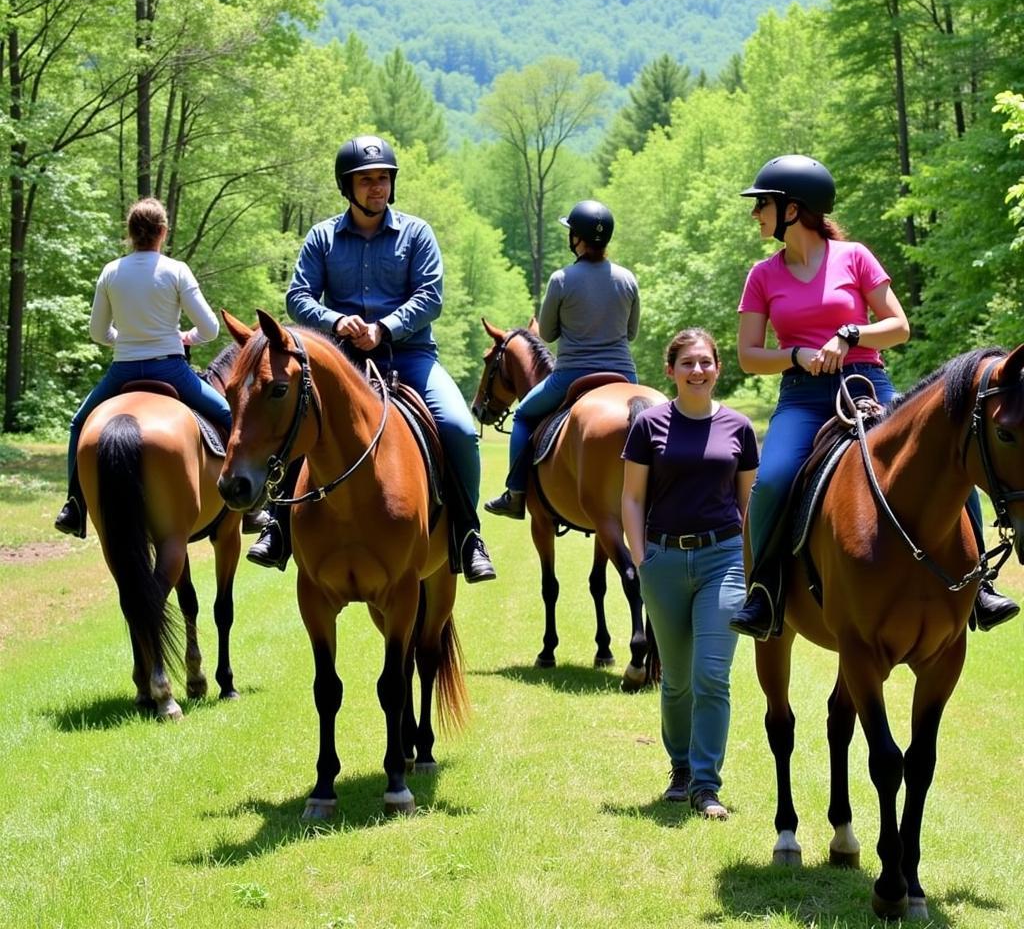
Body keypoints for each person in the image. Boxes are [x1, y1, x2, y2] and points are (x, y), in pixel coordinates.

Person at [729, 153, 1019, 640]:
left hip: (869, 384)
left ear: (793, 209)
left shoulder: (856, 256)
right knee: (774, 480)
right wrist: (797, 355)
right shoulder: (762, 275)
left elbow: (899, 327)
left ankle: (981, 585)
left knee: (952, 458)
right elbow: (749, 356)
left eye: (763, 204)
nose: (755, 214)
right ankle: (764, 590)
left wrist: (850, 333)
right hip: (802, 396)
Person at [246, 134, 495, 583]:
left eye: (383, 179)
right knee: (299, 424)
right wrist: (337, 322)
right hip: (341, 363)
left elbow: (431, 297)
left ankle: (467, 533)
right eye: (365, 180)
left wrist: (385, 328)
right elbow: (297, 297)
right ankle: (278, 527)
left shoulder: (417, 233)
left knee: (459, 429)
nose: (376, 187)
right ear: (347, 186)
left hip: (410, 356)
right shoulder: (322, 237)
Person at [622, 328, 758, 820]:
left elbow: (749, 503)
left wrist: (750, 561)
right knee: (676, 678)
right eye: (688, 363)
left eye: (705, 362)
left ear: (718, 368)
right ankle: (679, 770)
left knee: (711, 675)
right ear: (671, 371)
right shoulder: (649, 425)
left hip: (722, 560)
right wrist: (641, 559)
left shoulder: (740, 428)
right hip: (663, 560)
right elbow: (632, 497)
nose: (697, 370)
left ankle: (706, 785)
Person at [55, 197, 233, 537]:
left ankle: (74, 505)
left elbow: (97, 332)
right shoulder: (176, 270)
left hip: (122, 370)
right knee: (227, 414)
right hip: (170, 370)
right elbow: (210, 329)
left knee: (80, 423)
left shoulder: (111, 272)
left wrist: (123, 337)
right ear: (163, 233)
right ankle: (247, 504)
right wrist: (185, 337)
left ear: (130, 233)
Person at [484, 200, 640, 519]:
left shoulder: (561, 279)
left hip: (571, 375)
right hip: (625, 376)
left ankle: (515, 493)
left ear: (577, 239)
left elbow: (548, 335)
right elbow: (632, 333)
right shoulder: (627, 279)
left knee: (524, 415)